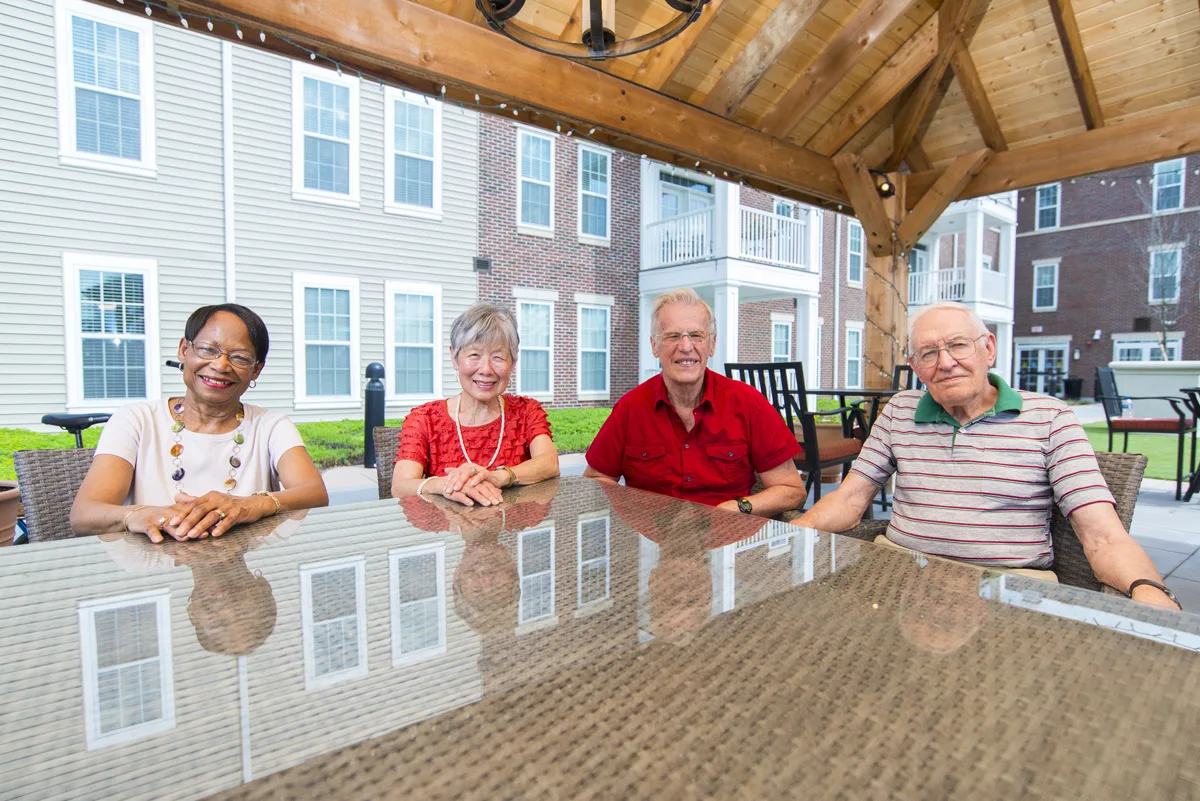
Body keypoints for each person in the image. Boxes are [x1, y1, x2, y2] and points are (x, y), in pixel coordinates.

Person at [794, 301, 1180, 610]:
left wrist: (1149, 590)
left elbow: (1102, 536)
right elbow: (849, 498)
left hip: (1007, 589)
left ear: (988, 348)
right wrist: (789, 537)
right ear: (915, 367)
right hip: (900, 573)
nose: (945, 362)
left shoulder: (1050, 418)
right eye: (928, 353)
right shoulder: (899, 410)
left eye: (958, 345)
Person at [71, 304, 328, 543]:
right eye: (208, 349)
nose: (220, 365)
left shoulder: (271, 425)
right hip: (155, 577)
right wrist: (140, 515)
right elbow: (84, 514)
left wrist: (250, 504)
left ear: (256, 370)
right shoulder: (135, 420)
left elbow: (314, 492)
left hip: (243, 572)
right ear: (184, 350)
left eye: (239, 357)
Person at [584, 288, 806, 516]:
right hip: (652, 543)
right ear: (654, 346)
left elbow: (791, 489)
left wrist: (739, 507)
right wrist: (634, 515)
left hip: (726, 540)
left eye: (697, 336)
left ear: (712, 344)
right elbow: (595, 480)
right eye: (672, 336)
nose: (686, 346)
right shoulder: (631, 408)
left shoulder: (747, 403)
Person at [391, 303, 559, 506]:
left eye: (498, 357)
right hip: (447, 531)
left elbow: (549, 464)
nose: (486, 369)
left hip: (514, 530)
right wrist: (448, 484)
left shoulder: (527, 411)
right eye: (474, 355)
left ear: (512, 363)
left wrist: (499, 477)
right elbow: (400, 486)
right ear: (455, 358)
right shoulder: (424, 418)